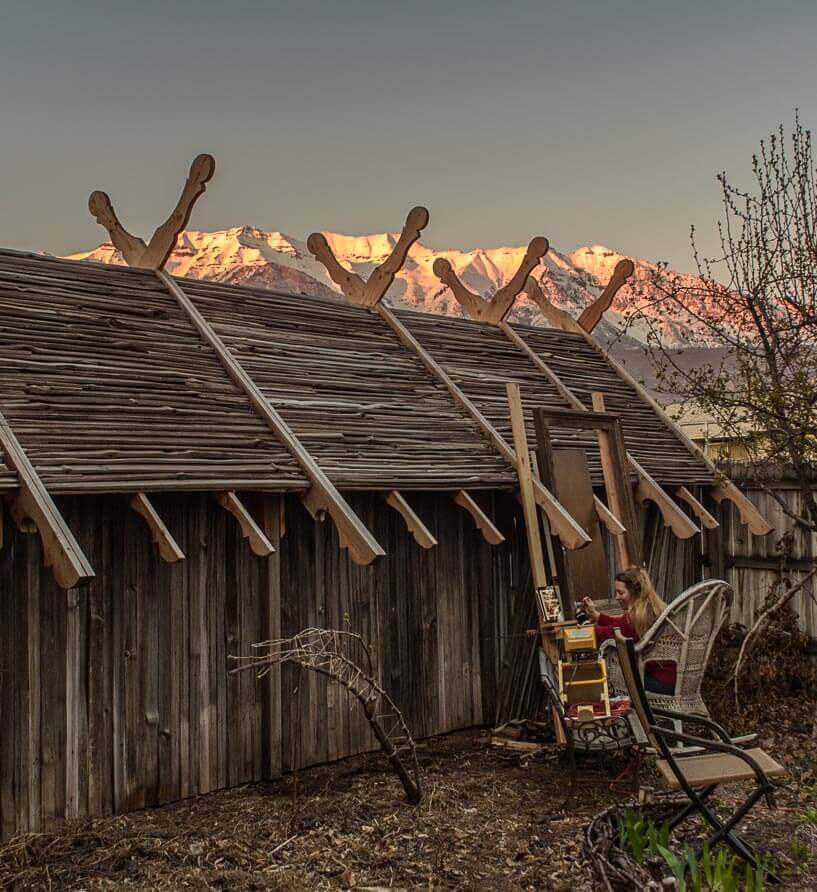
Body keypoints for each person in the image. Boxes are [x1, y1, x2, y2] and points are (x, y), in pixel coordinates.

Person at [581, 567, 676, 695]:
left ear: (634, 592)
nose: (617, 597)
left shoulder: (635, 618)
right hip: (669, 680)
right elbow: (618, 625)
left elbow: (609, 633)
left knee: (611, 680)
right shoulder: (649, 609)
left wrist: (582, 630)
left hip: (658, 684)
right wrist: (596, 615)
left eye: (621, 593)